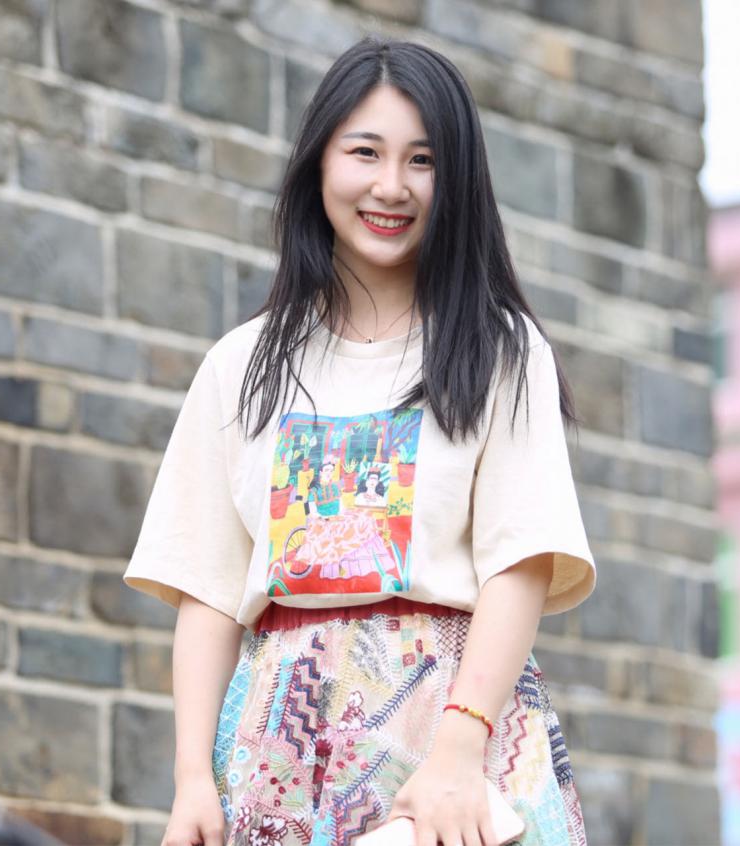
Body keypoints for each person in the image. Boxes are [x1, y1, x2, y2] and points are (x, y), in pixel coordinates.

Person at [123, 34, 597, 846]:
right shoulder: (241, 365)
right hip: (281, 747)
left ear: (457, 180)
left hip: (455, 726)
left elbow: (519, 563)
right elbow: (208, 590)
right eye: (365, 152)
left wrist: (458, 752)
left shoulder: (500, 350)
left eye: (423, 160)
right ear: (319, 162)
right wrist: (192, 779)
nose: (390, 186)